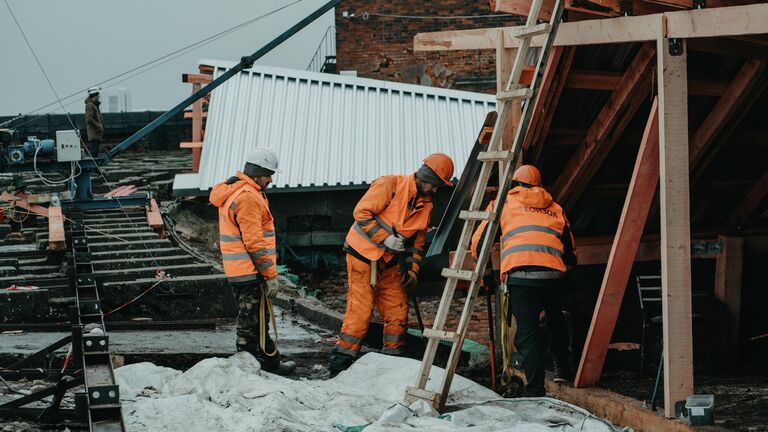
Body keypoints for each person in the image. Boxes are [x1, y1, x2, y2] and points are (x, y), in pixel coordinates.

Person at [329, 153, 455, 376]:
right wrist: (384, 238)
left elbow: (417, 243)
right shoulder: (390, 184)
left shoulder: (425, 206)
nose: (435, 191)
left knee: (397, 310)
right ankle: (341, 363)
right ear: (426, 177)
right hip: (362, 256)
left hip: (389, 262)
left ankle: (393, 362)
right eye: (435, 185)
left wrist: (413, 273)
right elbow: (361, 213)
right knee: (360, 310)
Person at [471, 165, 577, 397]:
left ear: (515, 184)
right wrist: (562, 271)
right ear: (539, 186)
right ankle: (562, 368)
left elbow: (479, 242)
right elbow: (569, 251)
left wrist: (487, 274)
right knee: (555, 318)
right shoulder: (555, 208)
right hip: (552, 276)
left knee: (527, 333)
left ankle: (536, 390)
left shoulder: (503, 204)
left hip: (520, 278)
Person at [209, 147, 296, 375]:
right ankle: (245, 373)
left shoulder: (239, 191)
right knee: (250, 324)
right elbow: (254, 243)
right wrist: (270, 276)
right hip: (250, 271)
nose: (270, 180)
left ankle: (270, 363)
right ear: (258, 174)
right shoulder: (248, 198)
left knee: (258, 320)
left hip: (242, 270)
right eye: (269, 175)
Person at [84, 87, 103, 157]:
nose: (99, 97)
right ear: (94, 96)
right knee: (93, 154)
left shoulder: (94, 105)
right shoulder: (90, 105)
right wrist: (98, 127)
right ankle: (92, 167)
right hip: (94, 134)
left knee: (95, 154)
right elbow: (89, 119)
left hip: (96, 134)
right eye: (98, 96)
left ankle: (94, 167)